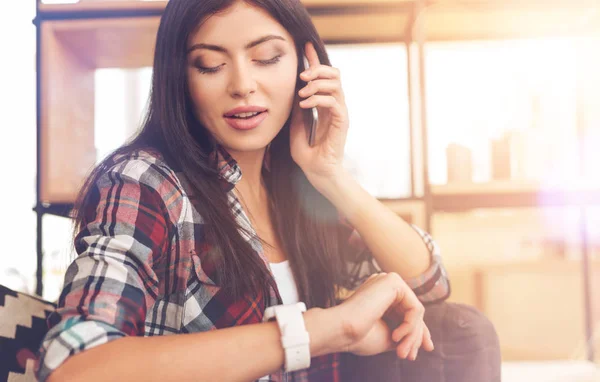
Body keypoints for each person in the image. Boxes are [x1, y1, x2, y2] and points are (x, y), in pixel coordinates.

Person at [35, 0, 452, 381]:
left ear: (306, 65)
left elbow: (428, 284)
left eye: (267, 58)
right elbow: (74, 368)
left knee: (458, 331)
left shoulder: (293, 186)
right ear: (180, 78)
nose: (242, 84)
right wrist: (324, 330)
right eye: (210, 65)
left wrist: (329, 174)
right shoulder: (146, 182)